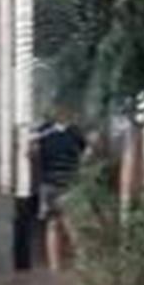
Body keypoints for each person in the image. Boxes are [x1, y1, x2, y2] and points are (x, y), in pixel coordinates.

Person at [31, 110, 86, 272]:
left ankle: (72, 263)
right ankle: (58, 265)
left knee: (65, 223)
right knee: (59, 223)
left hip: (64, 183)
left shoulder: (73, 132)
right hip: (53, 183)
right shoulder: (45, 132)